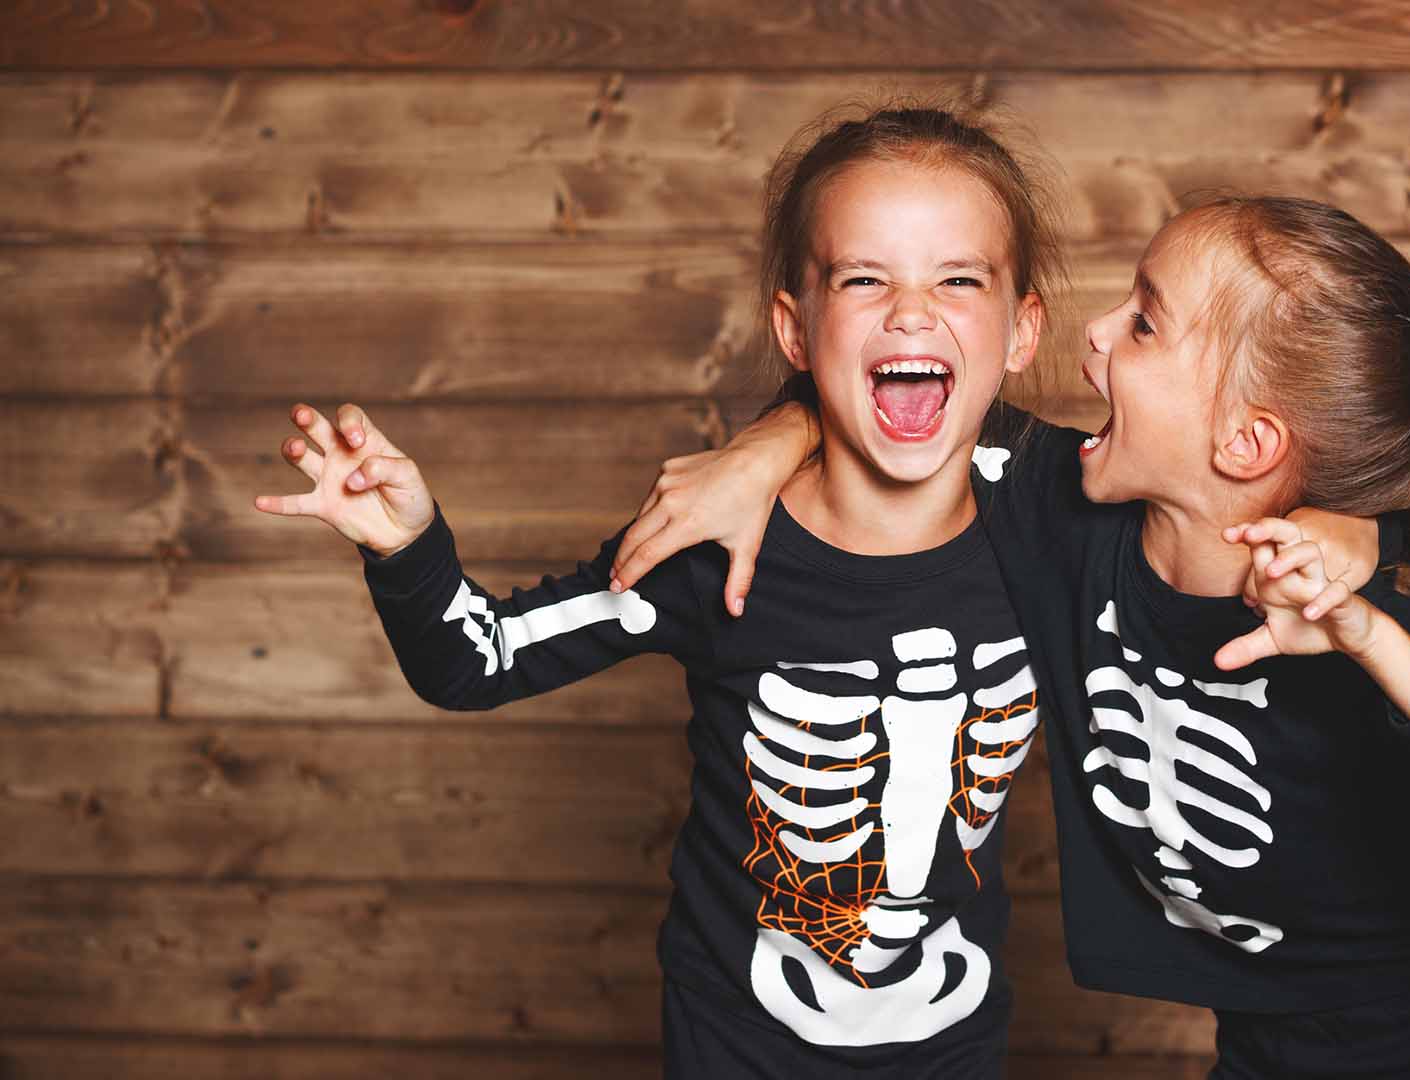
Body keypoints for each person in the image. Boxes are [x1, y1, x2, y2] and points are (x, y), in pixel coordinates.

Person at [614, 195, 1410, 1078]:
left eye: (1144, 323)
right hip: (1262, 1046)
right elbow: (898, 398)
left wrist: (1377, 637)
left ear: (1243, 443)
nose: (1093, 335)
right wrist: (762, 447)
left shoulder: (1337, 623)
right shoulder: (1060, 515)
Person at [255, 103, 1119, 1078]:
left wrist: (777, 432)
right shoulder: (713, 547)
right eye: (864, 278)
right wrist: (408, 545)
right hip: (733, 1047)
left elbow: (1211, 504)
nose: (912, 311)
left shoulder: (1063, 512)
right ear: (795, 328)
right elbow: (473, 661)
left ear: (1021, 330)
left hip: (956, 1046)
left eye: (958, 279)